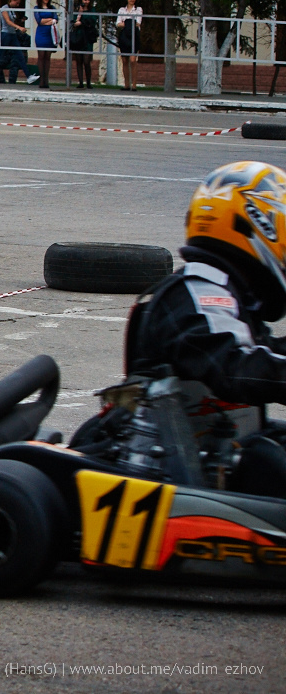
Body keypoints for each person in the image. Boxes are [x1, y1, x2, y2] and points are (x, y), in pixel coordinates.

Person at [123, 161, 286, 496]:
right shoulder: (199, 289)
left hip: (214, 454)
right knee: (270, 464)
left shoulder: (228, 293)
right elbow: (235, 368)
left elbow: (265, 354)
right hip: (176, 472)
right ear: (257, 226)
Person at [0, 0, 40, 85]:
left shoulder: (12, 10)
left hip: (12, 34)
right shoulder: (5, 8)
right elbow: (8, 21)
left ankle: (28, 76)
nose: (17, 5)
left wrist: (20, 21)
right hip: (6, 34)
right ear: (12, 0)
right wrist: (19, 27)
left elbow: (13, 22)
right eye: (17, 3)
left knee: (20, 55)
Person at [69, 0, 98, 89]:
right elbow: (74, 21)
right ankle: (80, 82)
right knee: (79, 61)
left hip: (88, 37)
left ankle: (88, 82)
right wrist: (80, 13)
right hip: (78, 37)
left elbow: (93, 20)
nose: (86, 2)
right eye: (85, 0)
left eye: (88, 0)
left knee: (86, 61)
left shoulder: (92, 10)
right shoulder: (77, 10)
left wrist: (82, 22)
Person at [32, 0, 59, 89]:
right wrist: (50, 20)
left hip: (50, 34)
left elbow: (56, 19)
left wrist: (48, 21)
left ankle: (46, 80)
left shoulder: (52, 8)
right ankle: (41, 80)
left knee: (47, 57)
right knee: (41, 56)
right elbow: (39, 21)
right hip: (41, 34)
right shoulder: (37, 8)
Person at [116, 0, 142, 91]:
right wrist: (128, 23)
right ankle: (126, 84)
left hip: (134, 35)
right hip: (124, 36)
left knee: (133, 60)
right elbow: (118, 23)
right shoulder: (122, 10)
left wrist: (126, 23)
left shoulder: (138, 9)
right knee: (124, 60)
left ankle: (134, 85)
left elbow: (138, 23)